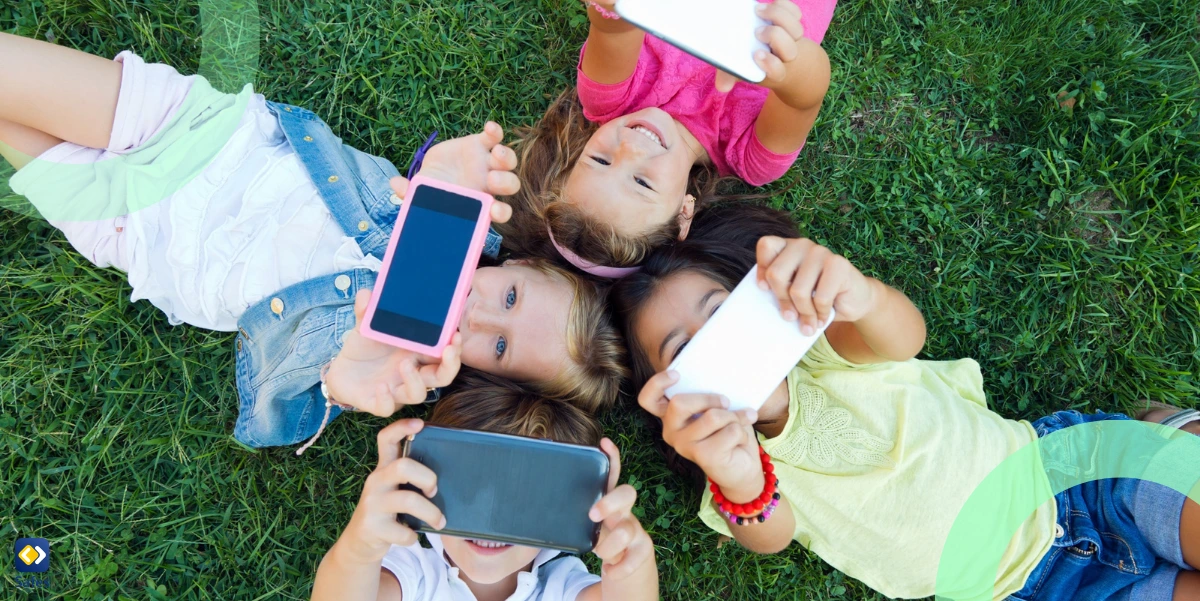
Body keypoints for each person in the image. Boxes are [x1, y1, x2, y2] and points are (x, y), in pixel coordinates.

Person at [0, 33, 627, 449]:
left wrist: (335, 384)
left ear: (487, 379)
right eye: (510, 297)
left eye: (498, 343)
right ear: (514, 262)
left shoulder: (387, 361)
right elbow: (420, 184)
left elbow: (268, 417)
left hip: (140, 237)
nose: (480, 311)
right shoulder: (442, 225)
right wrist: (437, 175)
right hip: (195, 132)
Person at [609, 226, 1200, 600]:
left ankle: (1157, 427)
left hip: (1069, 476)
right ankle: (1160, 426)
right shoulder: (736, 466)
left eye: (721, 314)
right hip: (1024, 592)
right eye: (687, 351)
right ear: (668, 393)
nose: (721, 347)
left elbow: (903, 338)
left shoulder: (821, 346)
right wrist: (738, 475)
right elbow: (771, 537)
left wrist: (859, 293)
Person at [498, 0, 836, 276]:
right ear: (683, 214)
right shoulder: (749, 157)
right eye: (642, 183)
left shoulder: (608, 98)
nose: (629, 149)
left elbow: (613, 21)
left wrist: (610, 8)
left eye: (599, 161)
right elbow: (806, 93)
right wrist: (784, 64)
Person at [311, 371, 659, 601]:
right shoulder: (412, 572)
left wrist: (631, 566)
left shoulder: (563, 587)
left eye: (525, 496)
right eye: (471, 484)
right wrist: (359, 549)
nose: (493, 511)